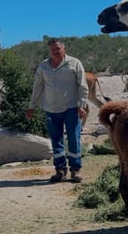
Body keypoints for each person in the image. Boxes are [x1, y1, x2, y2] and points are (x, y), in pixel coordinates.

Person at [26, 38, 89, 183]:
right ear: (50, 50)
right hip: (51, 109)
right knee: (56, 140)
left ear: (64, 49)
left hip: (72, 107)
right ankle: (60, 170)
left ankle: (75, 169)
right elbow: (37, 86)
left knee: (74, 138)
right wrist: (31, 106)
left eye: (58, 48)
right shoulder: (43, 66)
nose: (55, 51)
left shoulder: (74, 63)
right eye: (53, 49)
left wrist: (81, 104)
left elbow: (82, 86)